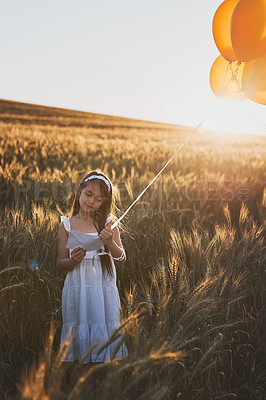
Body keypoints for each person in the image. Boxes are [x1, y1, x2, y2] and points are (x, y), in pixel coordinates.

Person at [57, 170, 128, 371]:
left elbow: (121, 258)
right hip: (77, 287)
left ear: (104, 203)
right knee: (82, 347)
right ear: (80, 191)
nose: (91, 202)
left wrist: (110, 242)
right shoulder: (66, 226)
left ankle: (102, 384)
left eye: (98, 199)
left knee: (101, 337)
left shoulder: (108, 223)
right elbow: (61, 263)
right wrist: (72, 260)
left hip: (101, 287)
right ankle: (84, 385)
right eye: (88, 194)